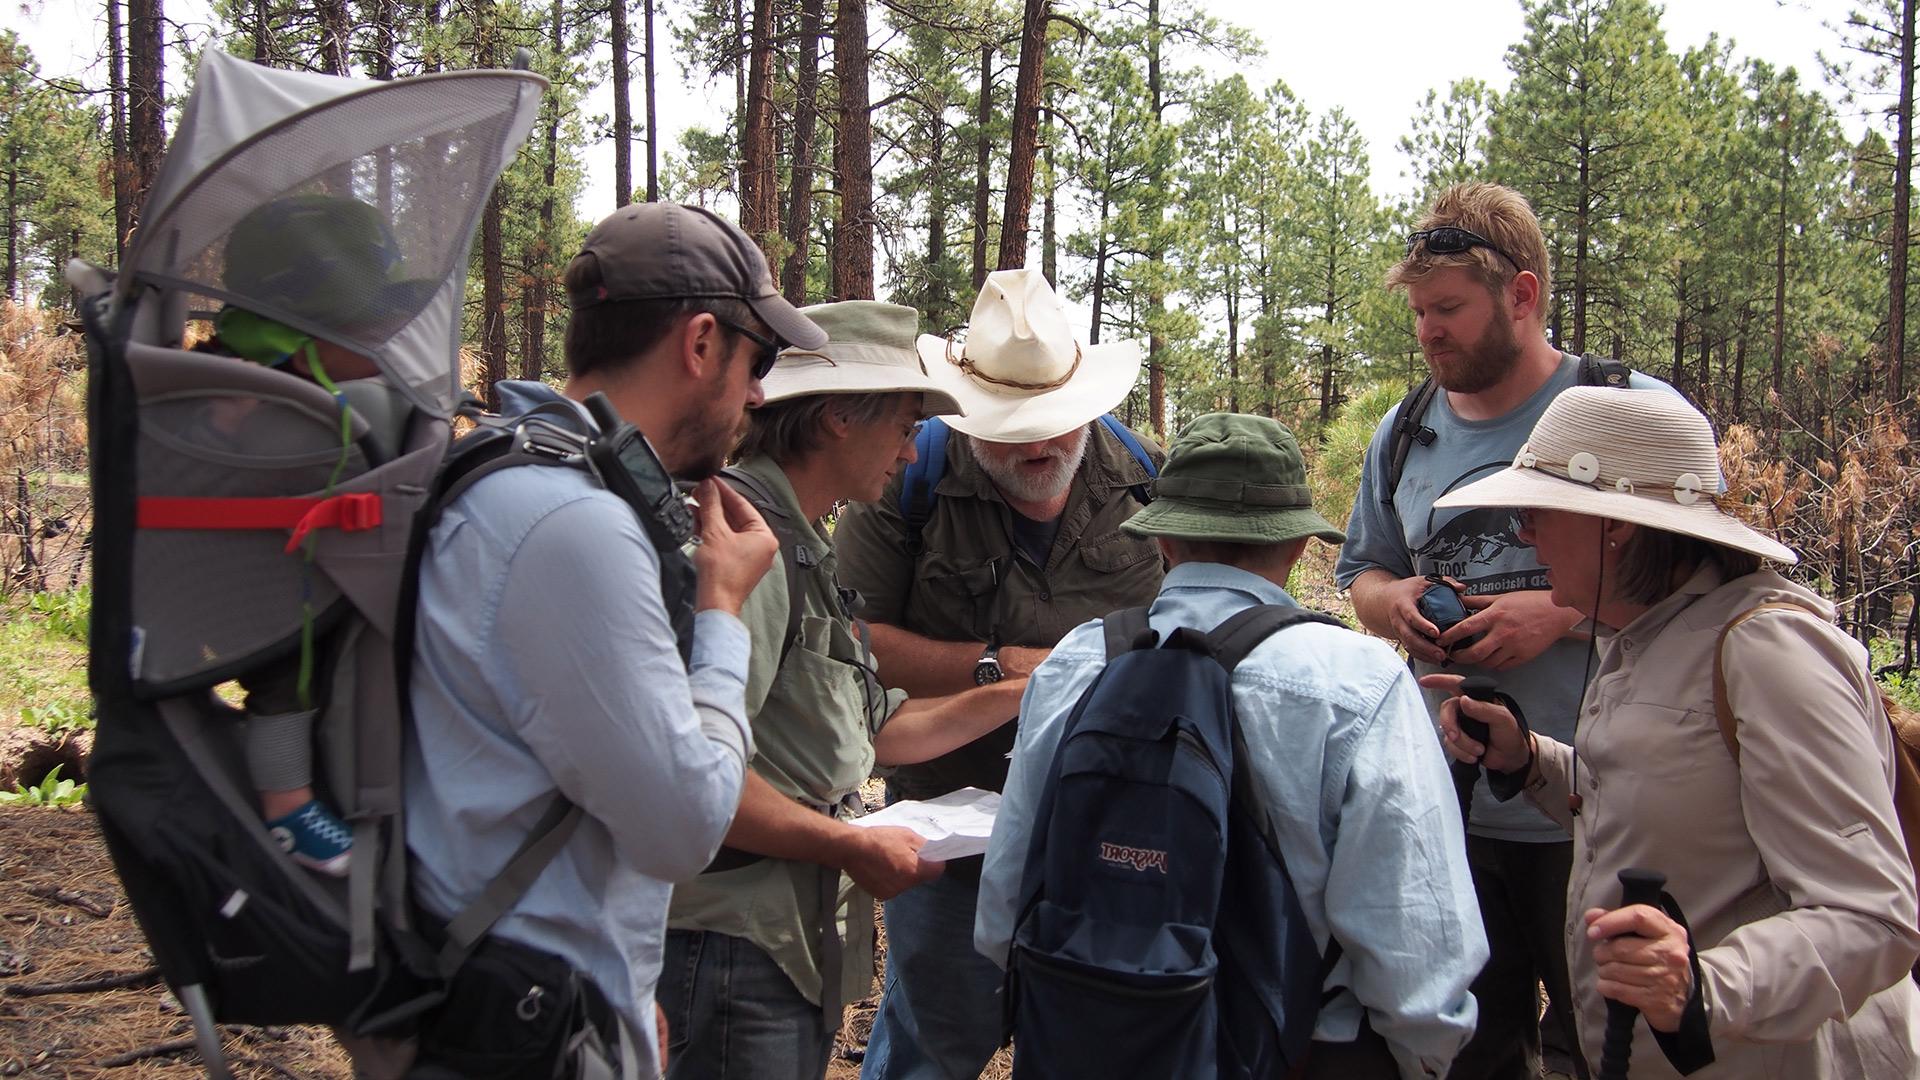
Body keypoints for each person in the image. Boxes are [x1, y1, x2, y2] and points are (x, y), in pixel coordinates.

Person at [403, 201, 824, 1075]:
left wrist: (627, 989)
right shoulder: (574, 523)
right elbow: (683, 826)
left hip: (517, 992)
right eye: (759, 360)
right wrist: (722, 609)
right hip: (517, 1023)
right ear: (700, 342)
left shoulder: (511, 468)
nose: (756, 394)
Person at [1425, 386, 1920, 1079]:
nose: (1522, 532)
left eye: (1535, 510)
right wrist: (1531, 758)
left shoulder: (1767, 650)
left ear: (1614, 525)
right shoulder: (1645, 636)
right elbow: (1672, 796)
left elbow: (1876, 918)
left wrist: (1704, 986)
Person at [975, 412, 1487, 1079]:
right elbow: (1415, 945)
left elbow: (1004, 905)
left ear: (1163, 543)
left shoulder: (1078, 661)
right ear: (1299, 546)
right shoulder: (1357, 682)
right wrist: (1423, 1058)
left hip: (1087, 1038)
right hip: (1294, 1049)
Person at [1337, 181, 1677, 1080]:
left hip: (1606, 811)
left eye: (1447, 308)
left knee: (1611, 1050)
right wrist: (1394, 601)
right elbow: (1357, 573)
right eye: (1418, 311)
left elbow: (1706, 583)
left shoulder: (1628, 412)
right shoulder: (1404, 435)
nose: (1426, 331)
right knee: (1472, 1051)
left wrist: (1562, 614)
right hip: (1447, 808)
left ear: (1522, 296)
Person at [658, 300, 1038, 1079]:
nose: (908, 455)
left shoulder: (801, 544)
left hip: (777, 940)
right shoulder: (744, 541)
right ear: (837, 418)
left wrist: (1023, 689)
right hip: (727, 939)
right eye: (902, 426)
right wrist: (849, 844)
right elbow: (697, 774)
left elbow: (876, 731)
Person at [835, 269, 1165, 1079]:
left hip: (1107, 823)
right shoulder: (904, 485)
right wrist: (995, 667)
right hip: (952, 819)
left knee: (1089, 1035)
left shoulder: (1146, 478)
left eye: (1054, 424)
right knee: (938, 1032)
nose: (1039, 447)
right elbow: (855, 637)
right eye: (1010, 431)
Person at [194, 193, 432, 876]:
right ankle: (287, 805)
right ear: (302, 337)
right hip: (267, 605)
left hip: (280, 587)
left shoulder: (247, 373)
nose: (387, 346)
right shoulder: (264, 398)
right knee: (284, 683)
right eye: (370, 329)